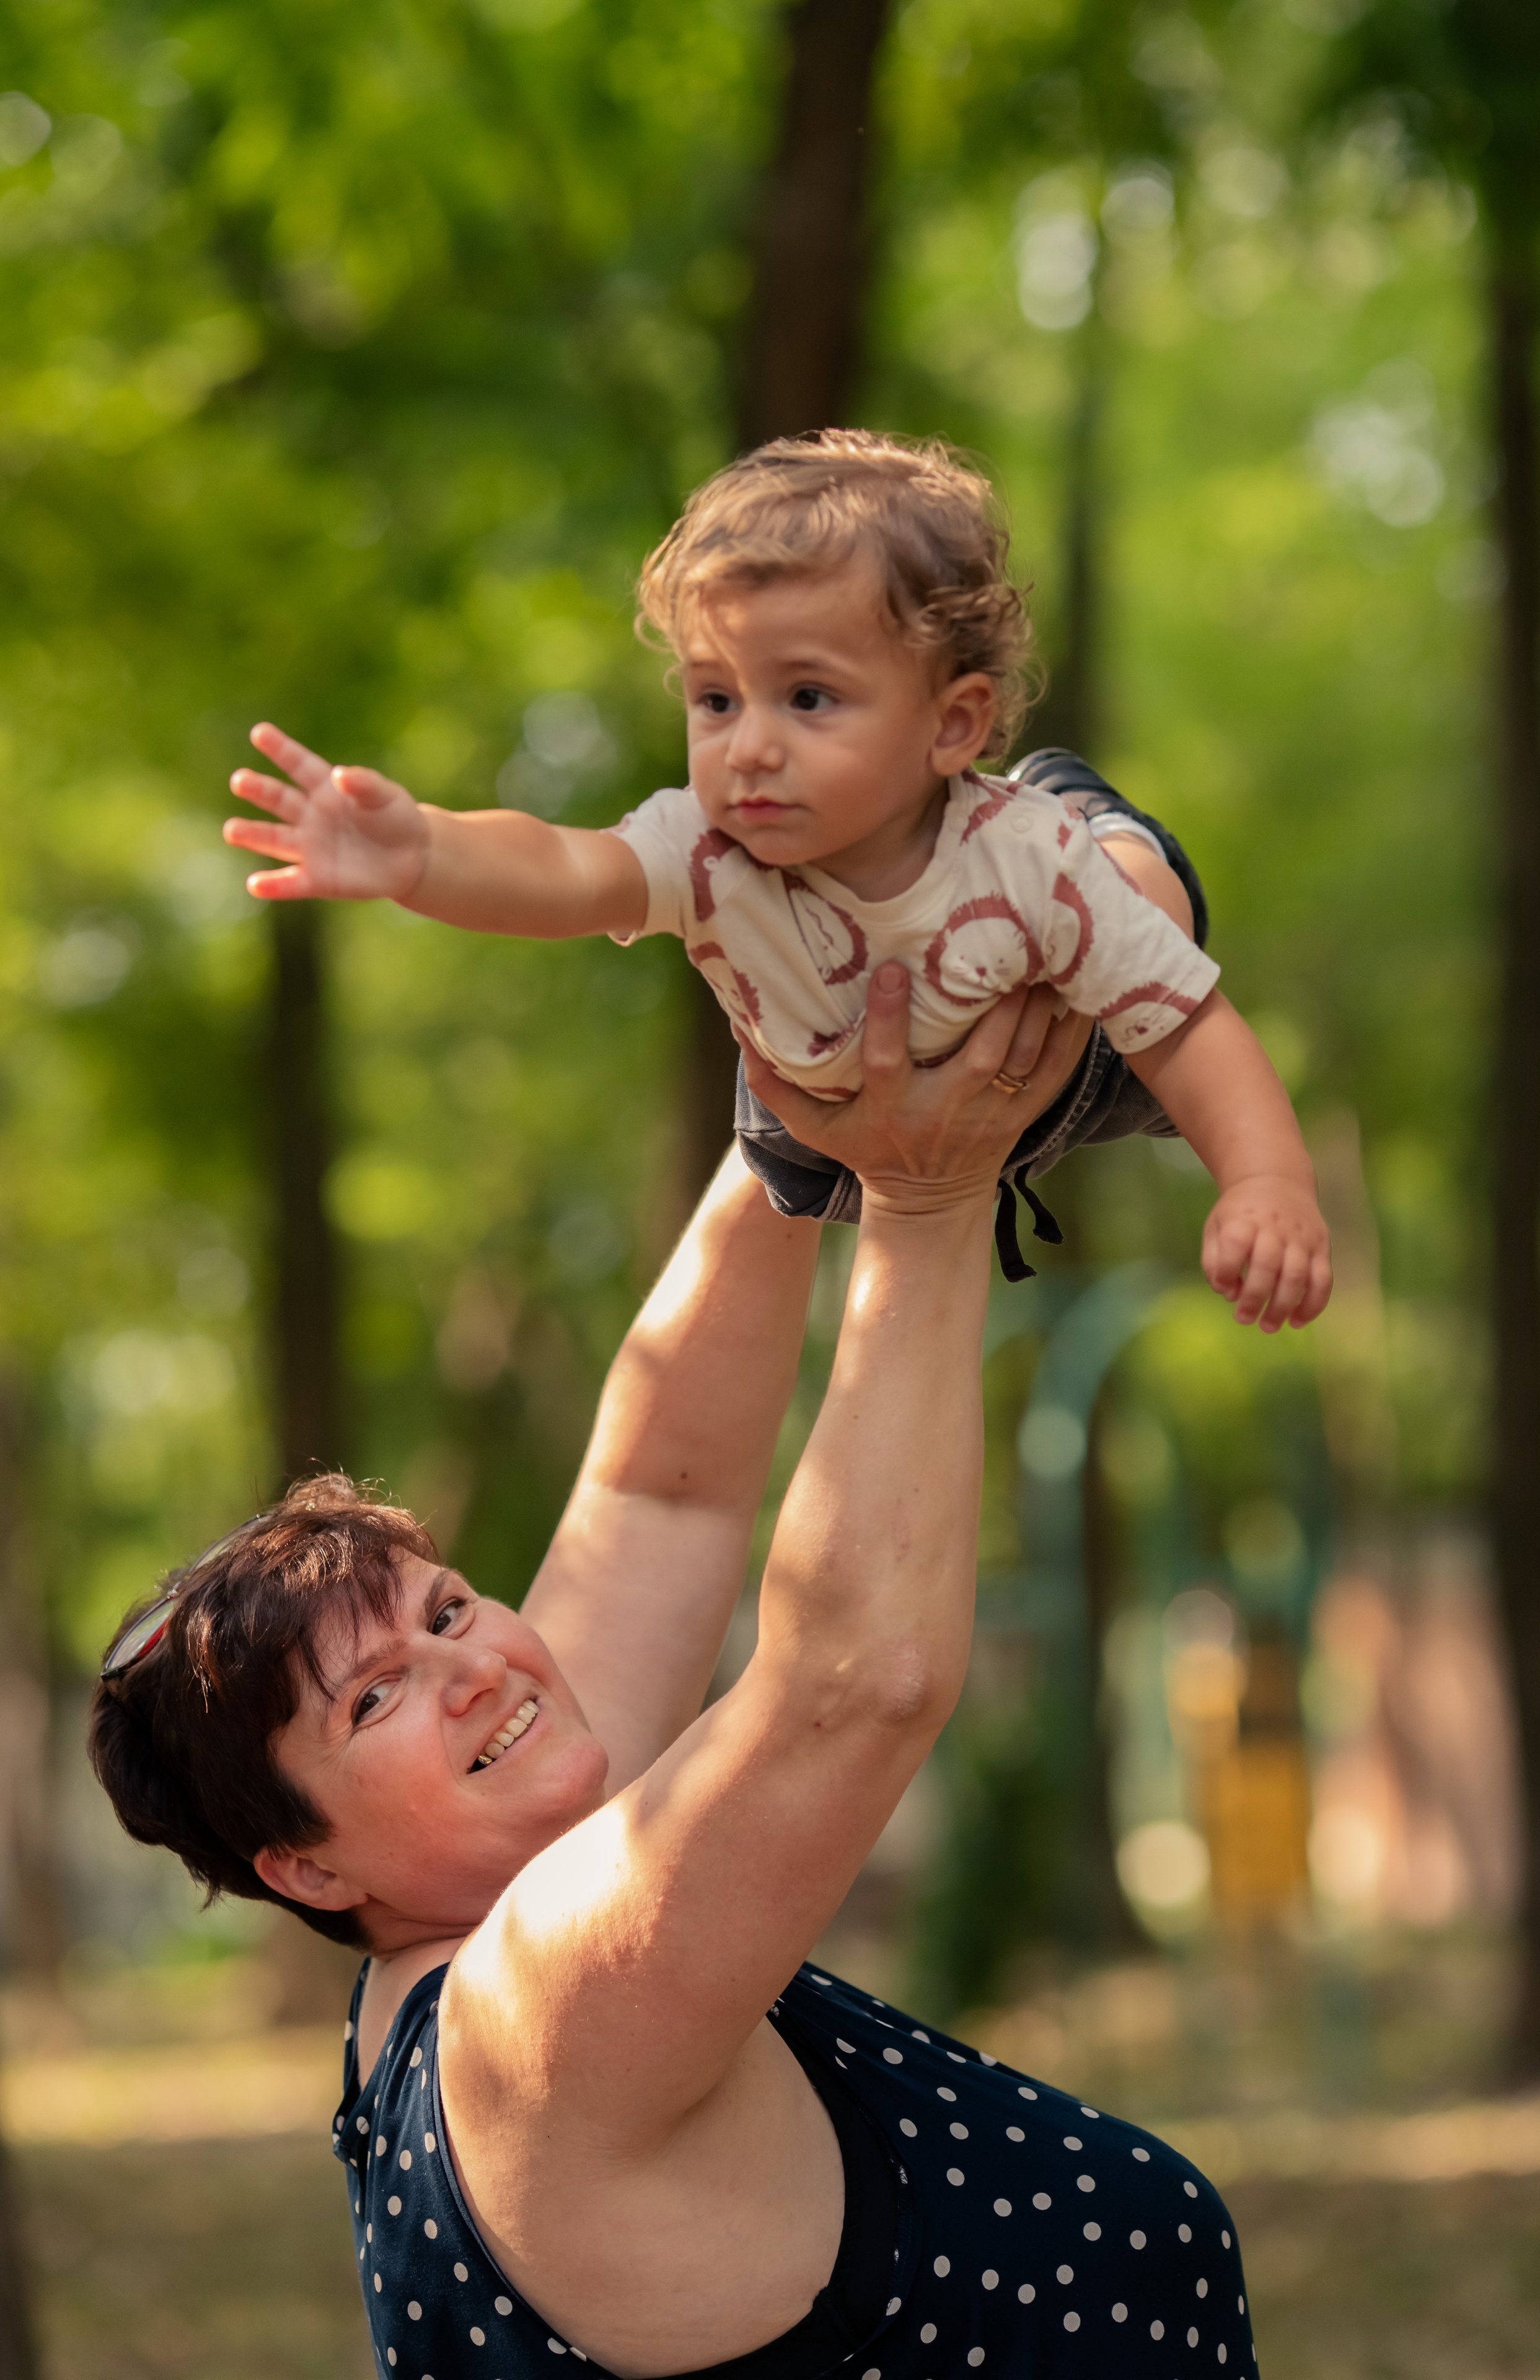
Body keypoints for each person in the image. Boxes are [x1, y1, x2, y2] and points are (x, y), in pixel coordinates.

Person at [90, 976, 1259, 2379]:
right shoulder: (531, 2023)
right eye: (372, 1698)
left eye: (449, 1610)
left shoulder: (484, 1933)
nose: (469, 1669)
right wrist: (930, 1190)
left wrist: (803, 1083)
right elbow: (857, 1684)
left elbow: (660, 1492)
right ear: (305, 1868)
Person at [222, 430, 1331, 1329]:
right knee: (786, 1160)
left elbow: (1193, 1029)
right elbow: (566, 865)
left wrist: (1266, 1184)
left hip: (1065, 1055)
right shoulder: (705, 846)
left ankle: (1080, 799)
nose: (748, 747)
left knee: (1135, 905)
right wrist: (422, 853)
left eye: (807, 698)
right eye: (716, 698)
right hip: (820, 1107)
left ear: (953, 723)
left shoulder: (1033, 869)